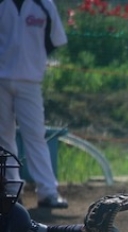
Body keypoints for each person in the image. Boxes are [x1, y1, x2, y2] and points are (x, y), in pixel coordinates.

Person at [0, 0, 70, 209]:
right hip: (0, 79)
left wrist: (33, 59)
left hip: (30, 81)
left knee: (36, 135)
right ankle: (11, 191)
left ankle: (47, 192)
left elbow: (54, 40)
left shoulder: (44, 4)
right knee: (3, 137)